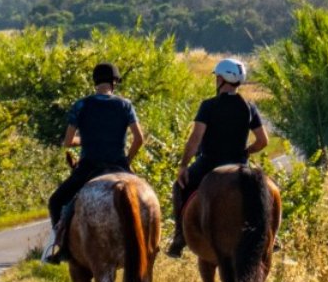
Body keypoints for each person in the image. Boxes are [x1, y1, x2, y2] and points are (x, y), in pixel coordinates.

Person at [44, 62, 147, 264]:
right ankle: (150, 242)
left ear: (95, 82)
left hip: (89, 166)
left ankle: (62, 248)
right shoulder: (125, 105)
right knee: (144, 199)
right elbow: (139, 139)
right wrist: (128, 160)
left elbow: (67, 142)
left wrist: (85, 140)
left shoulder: (81, 105)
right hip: (118, 164)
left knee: (56, 201)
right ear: (114, 82)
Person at [166, 57, 269, 258]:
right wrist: (247, 152)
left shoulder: (209, 105)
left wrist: (183, 165)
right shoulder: (249, 107)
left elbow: (195, 139)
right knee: (262, 192)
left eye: (217, 77)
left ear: (221, 79)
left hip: (209, 163)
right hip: (239, 164)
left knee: (179, 187)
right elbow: (263, 141)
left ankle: (179, 237)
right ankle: (270, 235)